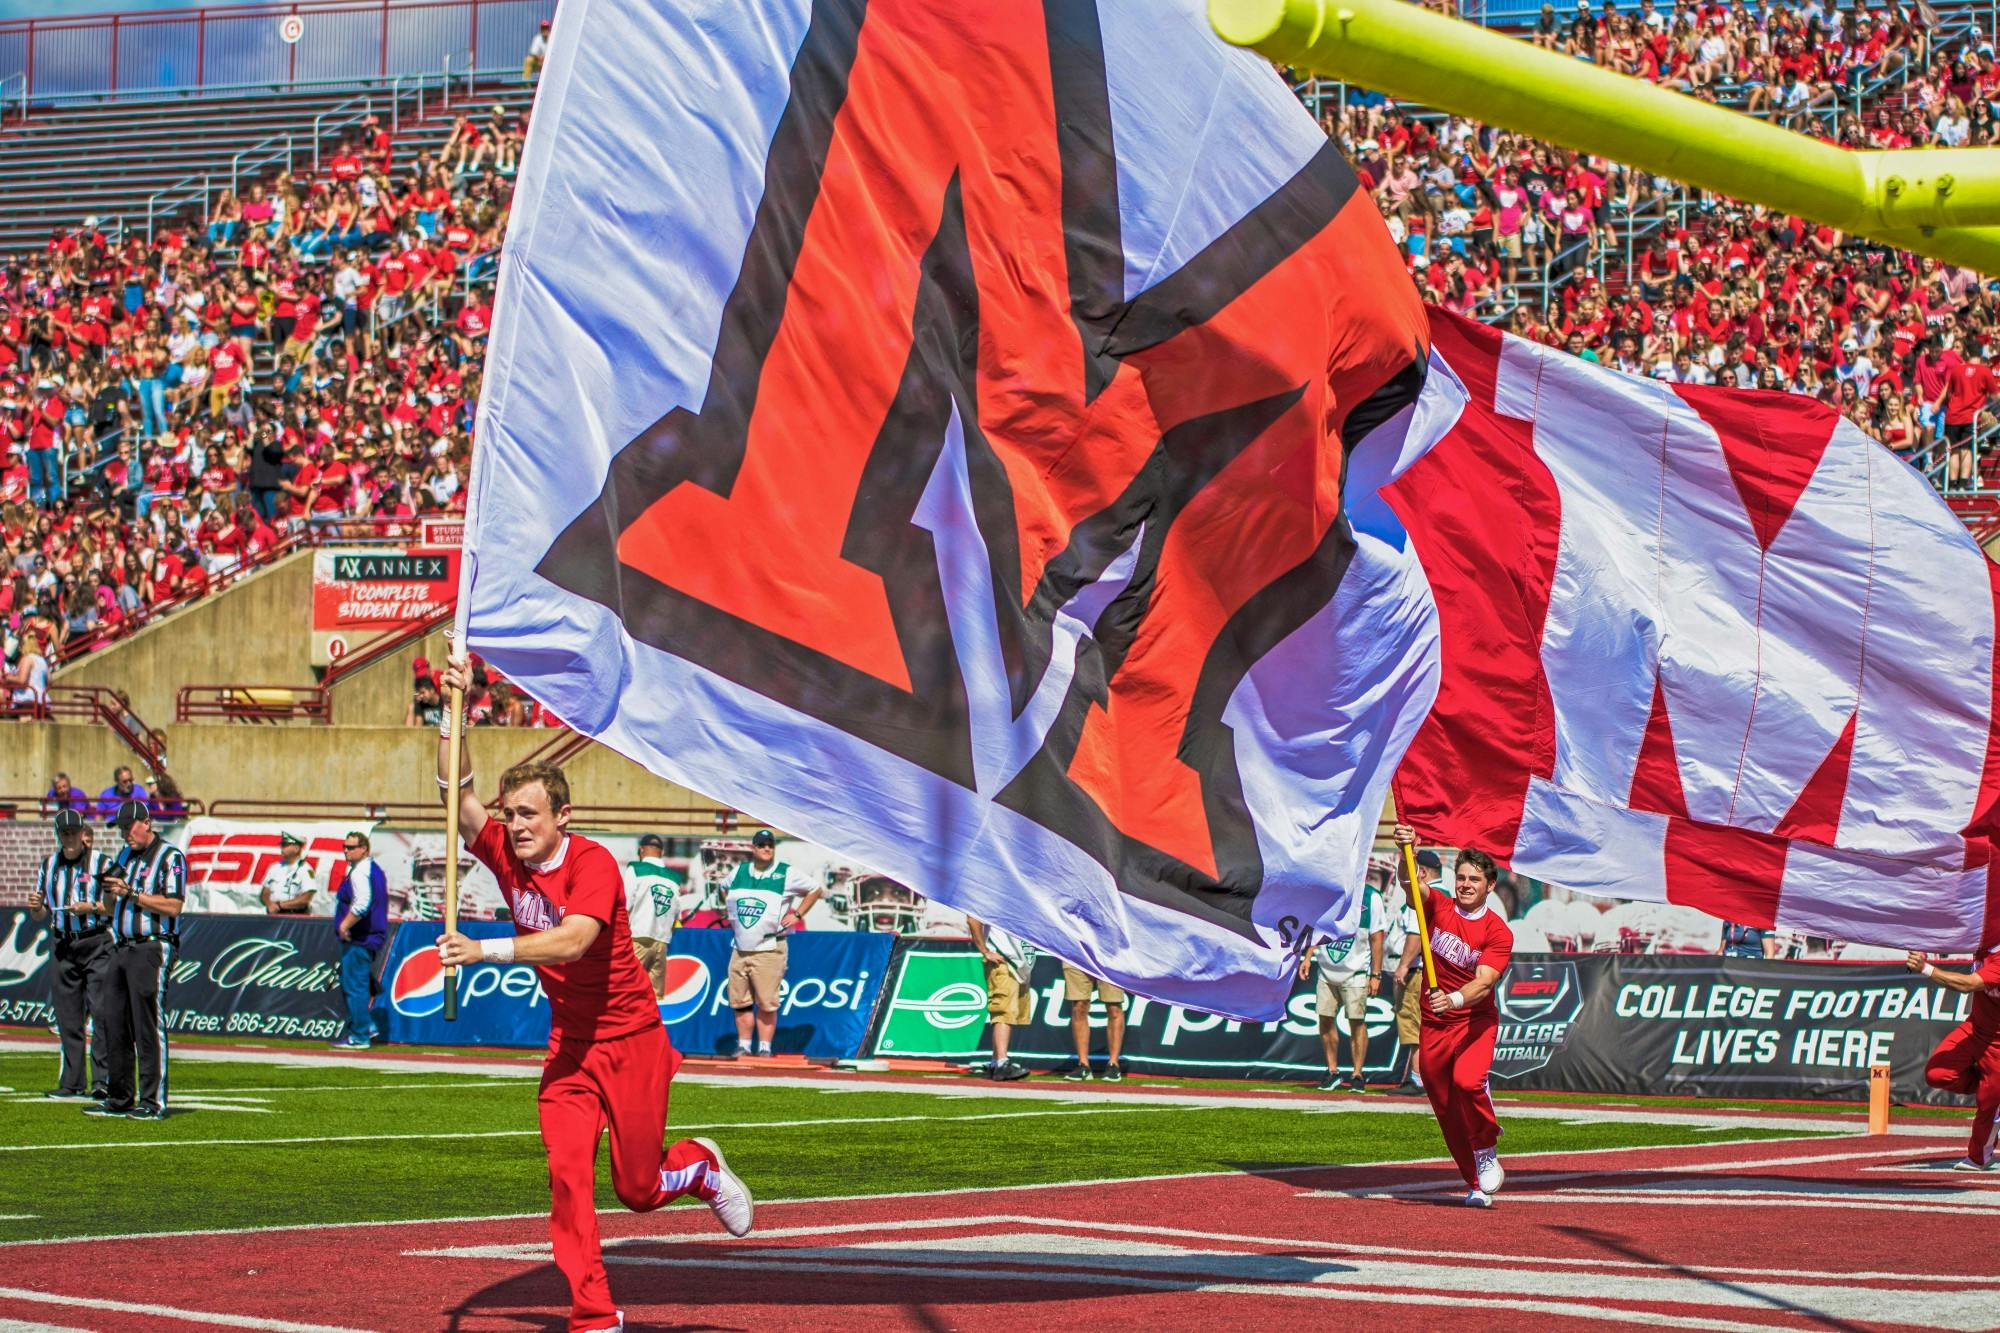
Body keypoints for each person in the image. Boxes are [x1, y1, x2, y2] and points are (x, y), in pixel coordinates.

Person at [432, 655, 751, 1333]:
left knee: (636, 1189)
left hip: (631, 1041)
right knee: (569, 1175)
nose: (514, 824)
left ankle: (696, 1168)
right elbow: (454, 797)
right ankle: (594, 1312)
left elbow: (573, 940)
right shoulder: (503, 851)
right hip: (570, 1048)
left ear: (562, 815)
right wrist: (450, 709)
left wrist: (484, 947)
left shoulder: (593, 863)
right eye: (508, 812)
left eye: (528, 813)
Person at [1393, 822, 1513, 1208]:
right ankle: (1475, 1181)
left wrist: (1456, 1000)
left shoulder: (1498, 932)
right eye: (1461, 877)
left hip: (1473, 1021)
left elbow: (1485, 983)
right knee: (1443, 1104)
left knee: (1466, 1081)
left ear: (1489, 885)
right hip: (1435, 1023)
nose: (1465, 884)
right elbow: (1412, 887)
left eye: (1474, 879)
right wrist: (1404, 852)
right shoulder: (1439, 905)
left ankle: (1486, 1146)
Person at [91, 798, 185, 1121]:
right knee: (113, 1020)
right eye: (120, 828)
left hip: (152, 945)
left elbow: (174, 905)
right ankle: (119, 1098)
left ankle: (153, 1102)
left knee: (147, 1024)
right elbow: (106, 907)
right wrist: (107, 889)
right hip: (121, 945)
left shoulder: (170, 857)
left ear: (146, 823)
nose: (125, 834)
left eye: (129, 827)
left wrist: (130, 892)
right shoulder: (124, 855)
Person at [28, 810, 111, 1102]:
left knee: (101, 1013)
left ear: (82, 834)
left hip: (96, 941)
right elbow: (40, 914)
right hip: (64, 944)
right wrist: (35, 906)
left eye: (73, 832)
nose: (70, 838)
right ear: (58, 835)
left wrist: (92, 907)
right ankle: (72, 1081)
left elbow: (115, 905)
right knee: (68, 1016)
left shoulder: (102, 862)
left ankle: (102, 1080)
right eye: (64, 833)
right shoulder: (49, 865)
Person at [721, 829, 823, 1058]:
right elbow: (722, 888)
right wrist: (732, 915)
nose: (767, 848)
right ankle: (744, 1045)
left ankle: (765, 1047)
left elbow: (815, 889)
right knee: (740, 1001)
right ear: (753, 848)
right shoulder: (739, 871)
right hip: (740, 947)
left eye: (770, 845)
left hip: (770, 946)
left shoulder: (785, 873)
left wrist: (797, 914)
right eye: (762, 844)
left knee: (767, 1001)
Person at [1907, 947, 2000, 1171]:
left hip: (1999, 1041)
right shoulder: (1983, 947)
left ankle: (1979, 1157)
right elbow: (1950, 930)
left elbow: (1967, 985)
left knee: (1990, 1102)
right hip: (1975, 1028)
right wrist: (1922, 946)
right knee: (1937, 1074)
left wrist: (1926, 968)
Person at [1302, 876, 1387, 1092]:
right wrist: (1308, 956)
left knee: (1356, 1021)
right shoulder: (1330, 892)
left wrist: (1376, 973)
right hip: (1326, 968)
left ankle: (1357, 1074)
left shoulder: (1371, 897)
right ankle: (1332, 1071)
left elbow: (1377, 937)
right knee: (1325, 1018)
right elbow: (1318, 929)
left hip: (1356, 969)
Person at [1390, 847, 1444, 1093]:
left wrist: (1403, 966)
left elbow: (1416, 933)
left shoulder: (1426, 896)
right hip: (1436, 971)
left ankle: (1417, 1078)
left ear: (1421, 872)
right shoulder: (1445, 894)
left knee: (1413, 1026)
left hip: (1418, 970)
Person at [329, 831, 388, 1050]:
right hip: (368, 936)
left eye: (351, 847)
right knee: (353, 982)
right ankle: (367, 1025)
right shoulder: (372, 869)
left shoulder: (360, 872)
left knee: (355, 987)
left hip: (361, 937)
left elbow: (362, 904)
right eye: (344, 847)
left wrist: (344, 925)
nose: (346, 851)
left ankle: (360, 1035)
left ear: (364, 848)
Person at [624, 833, 694, 1000]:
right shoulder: (674, 878)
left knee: (629, 993)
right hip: (662, 942)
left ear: (641, 851)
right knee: (654, 998)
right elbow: (677, 914)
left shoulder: (635, 869)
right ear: (661, 852)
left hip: (637, 937)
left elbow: (624, 905)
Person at [966, 915, 1032, 1081]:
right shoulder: (991, 892)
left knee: (1011, 1012)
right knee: (1003, 1009)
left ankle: (996, 1062)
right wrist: (985, 950)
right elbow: (972, 919)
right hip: (1002, 957)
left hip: (1020, 958)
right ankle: (1002, 1062)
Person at [1059, 965, 1126, 1082]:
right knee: (1079, 1005)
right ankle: (1083, 1065)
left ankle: (1114, 1064)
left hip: (1109, 955)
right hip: (1078, 953)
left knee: (1114, 1007)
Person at [259, 831, 323, 914]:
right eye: (281, 845)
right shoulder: (274, 868)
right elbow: (265, 892)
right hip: (273, 914)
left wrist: (280, 905)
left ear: (296, 848)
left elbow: (307, 897)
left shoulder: (305, 869)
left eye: (285, 845)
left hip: (294, 915)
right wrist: (270, 905)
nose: (281, 848)